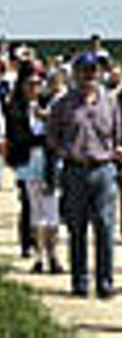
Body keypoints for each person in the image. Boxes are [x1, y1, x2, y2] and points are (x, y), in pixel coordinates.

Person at [47, 51, 122, 298]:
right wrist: (66, 152)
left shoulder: (110, 101)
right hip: (75, 171)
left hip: (104, 169)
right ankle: (79, 281)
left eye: (93, 71)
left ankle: (105, 282)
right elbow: (52, 136)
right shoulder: (62, 104)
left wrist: (112, 155)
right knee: (77, 228)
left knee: (105, 226)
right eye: (84, 70)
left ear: (99, 73)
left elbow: (117, 134)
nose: (89, 75)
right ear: (76, 73)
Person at [6, 65, 63, 274]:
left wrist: (47, 121)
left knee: (53, 210)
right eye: (30, 83)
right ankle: (39, 257)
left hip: (50, 162)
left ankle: (54, 255)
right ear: (22, 85)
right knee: (36, 211)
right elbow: (18, 139)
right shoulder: (15, 108)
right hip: (28, 163)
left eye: (38, 83)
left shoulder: (49, 104)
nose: (34, 87)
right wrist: (43, 134)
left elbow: (60, 132)